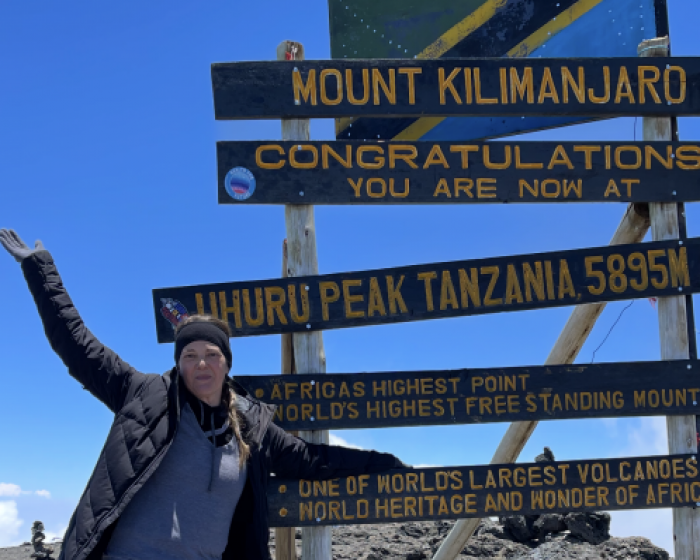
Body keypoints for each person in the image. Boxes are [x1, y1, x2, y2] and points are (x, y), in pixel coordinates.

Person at [0, 229, 406, 560]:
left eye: (212, 355)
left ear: (227, 364)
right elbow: (78, 346)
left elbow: (311, 459)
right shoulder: (145, 395)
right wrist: (40, 270)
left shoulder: (251, 426)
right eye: (189, 356)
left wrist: (384, 463)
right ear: (178, 363)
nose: (201, 364)